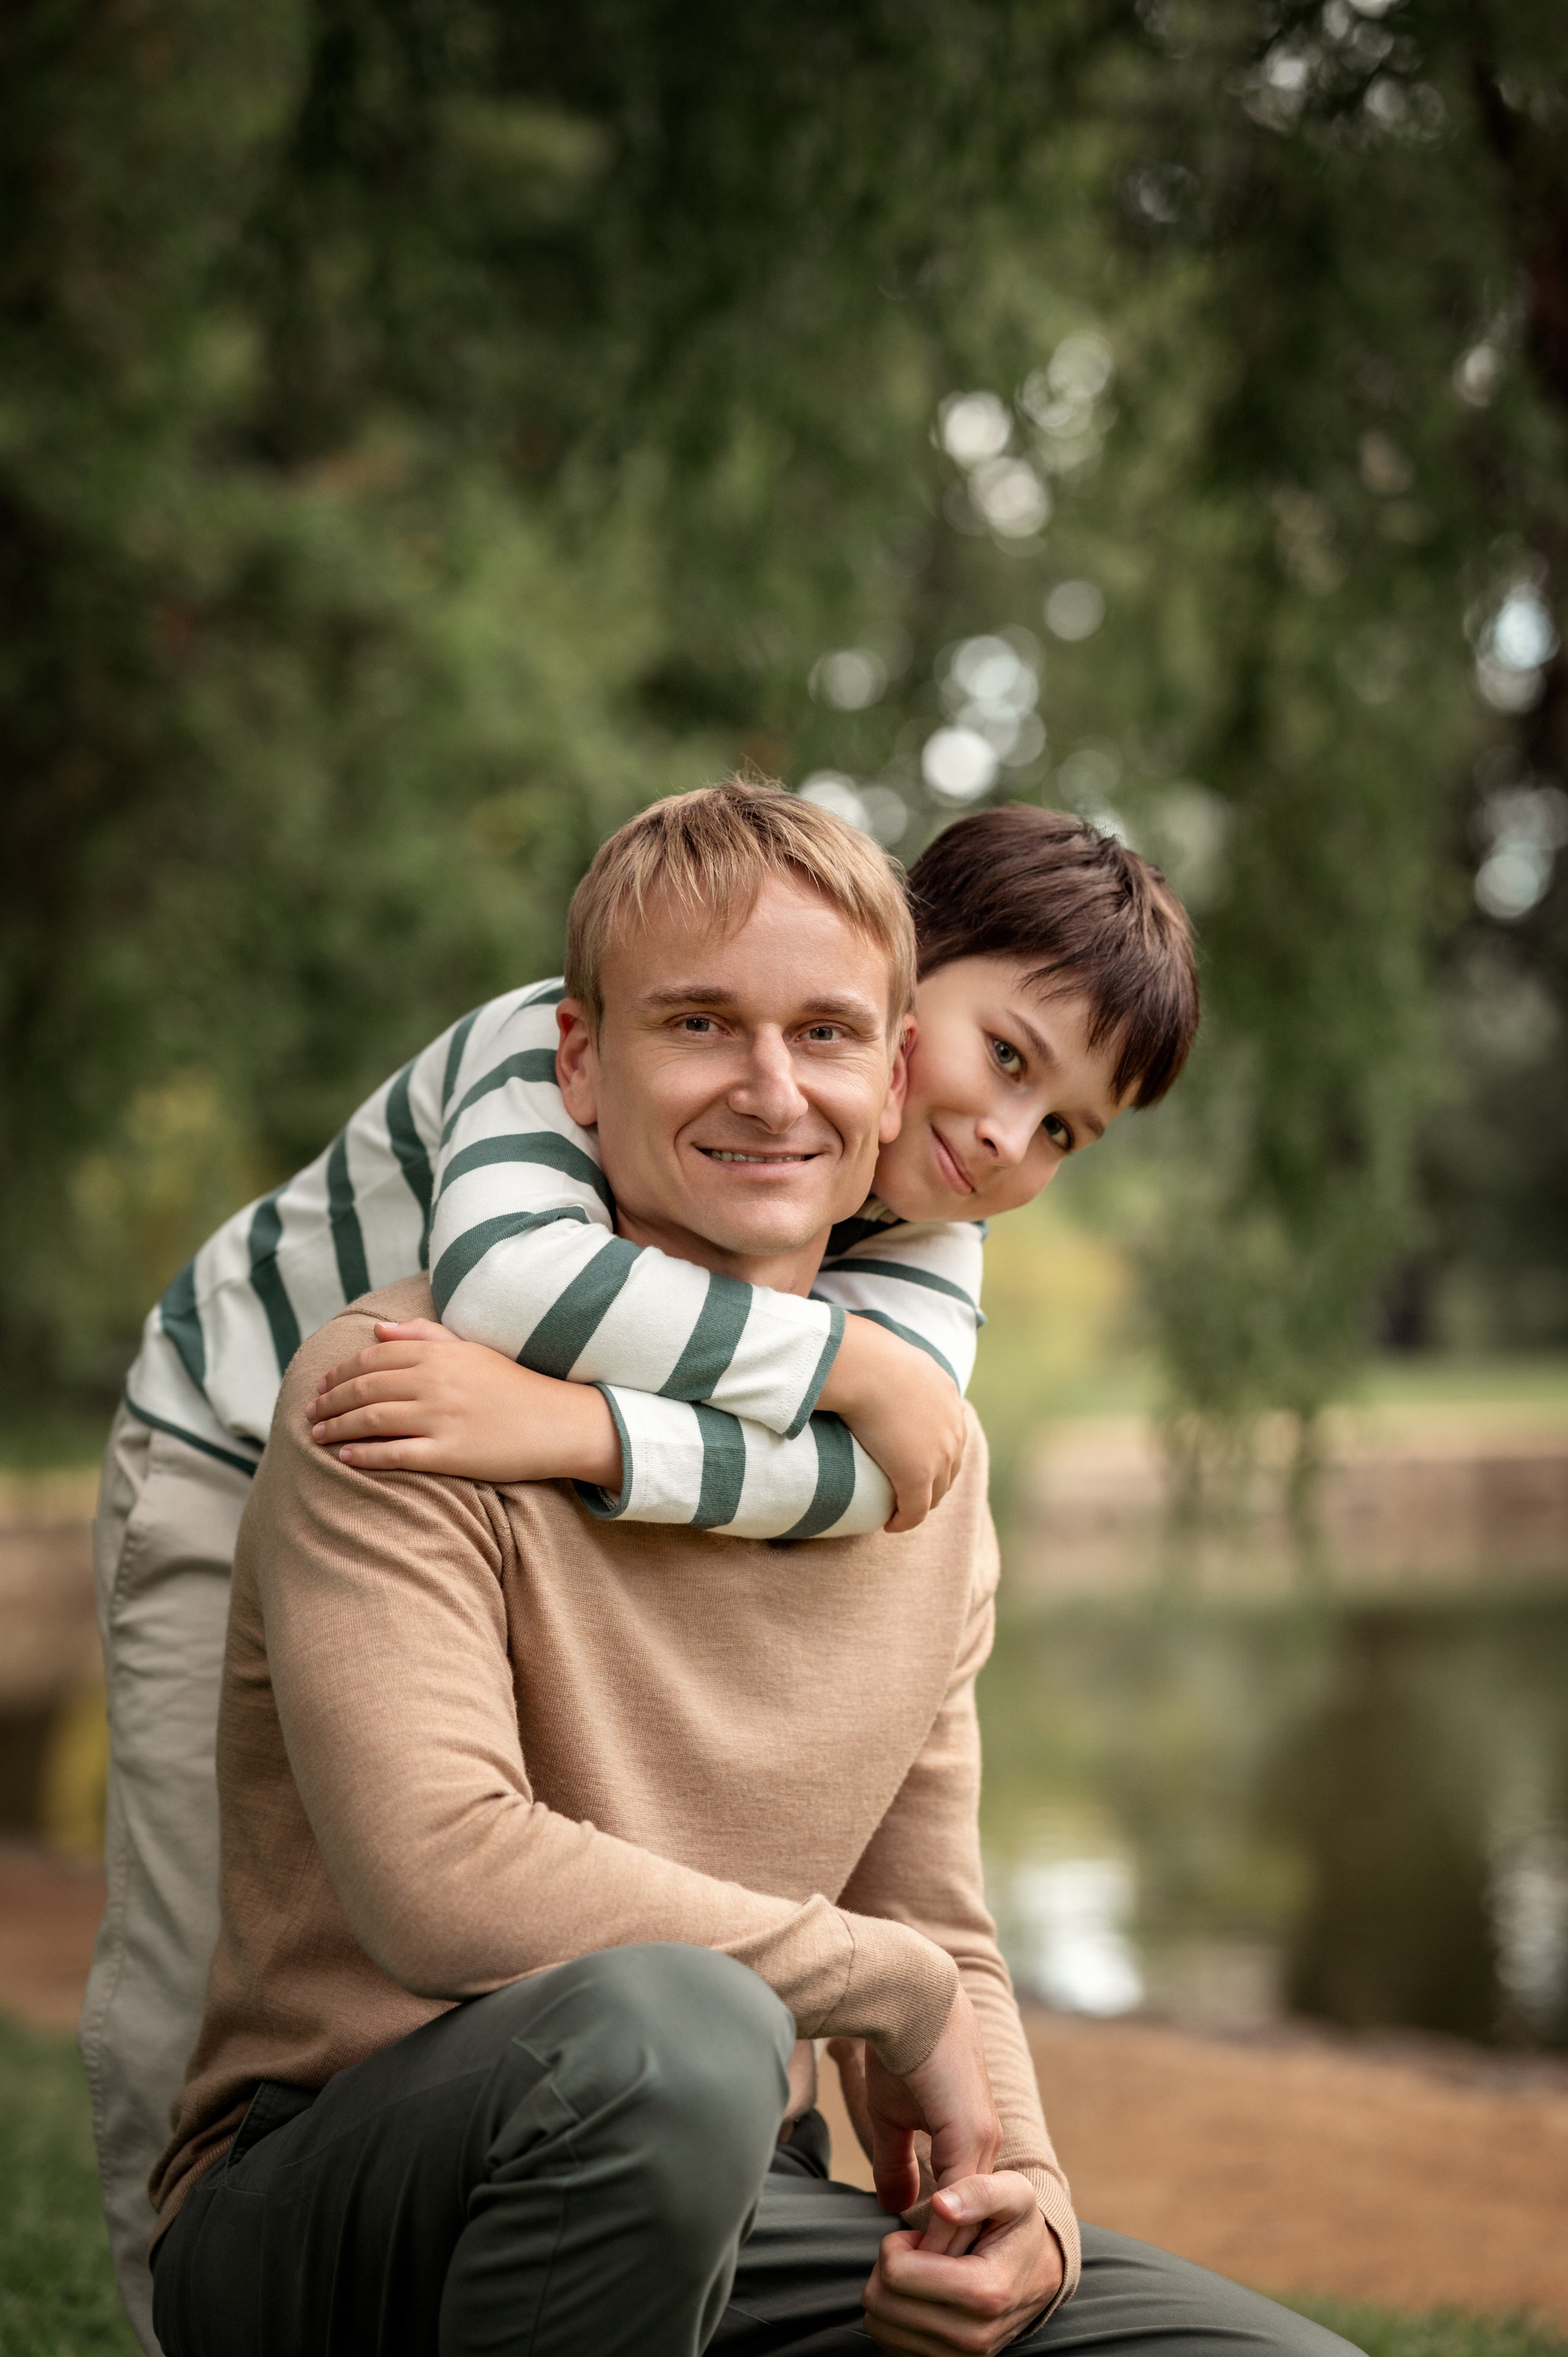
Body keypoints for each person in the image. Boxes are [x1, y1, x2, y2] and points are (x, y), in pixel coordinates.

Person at [145, 797, 1351, 2357]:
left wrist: (1024, 2201)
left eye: (827, 1034)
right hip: (350, 2201)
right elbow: (442, 1878)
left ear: (883, 1063)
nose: (774, 1089)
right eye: (703, 1023)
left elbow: (938, 1919)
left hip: (727, 2194)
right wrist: (880, 1986)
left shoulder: (921, 1458)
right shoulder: (406, 1384)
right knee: (680, 2033)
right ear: (581, 1060)